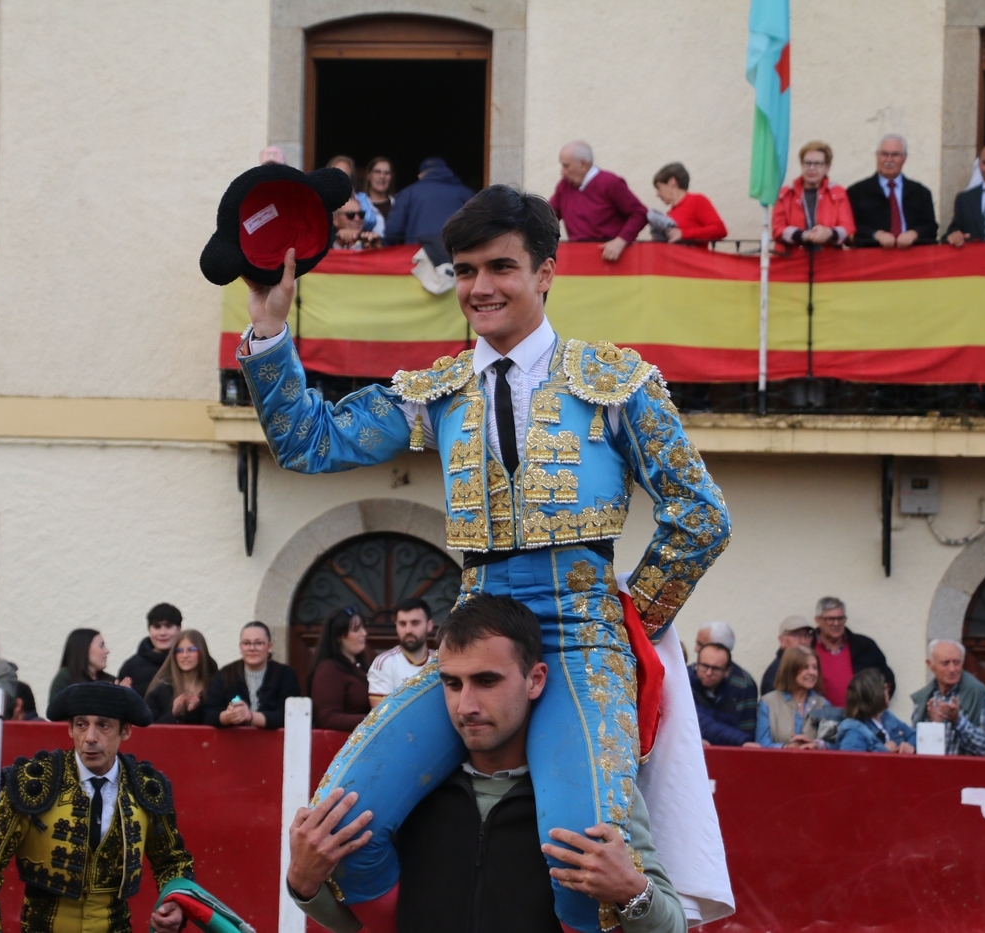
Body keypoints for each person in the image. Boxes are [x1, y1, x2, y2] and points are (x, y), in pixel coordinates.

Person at [236, 183, 730, 930]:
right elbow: (310, 440)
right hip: (472, 636)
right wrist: (270, 328)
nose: (480, 287)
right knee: (340, 821)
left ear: (546, 273)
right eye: (465, 271)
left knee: (582, 859)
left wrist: (630, 615)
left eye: (500, 267)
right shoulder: (439, 391)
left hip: (578, 639)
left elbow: (701, 517)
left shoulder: (616, 382)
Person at [286, 595, 686, 933]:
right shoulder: (409, 790)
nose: (467, 706)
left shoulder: (590, 783)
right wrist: (303, 885)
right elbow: (365, 926)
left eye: (487, 681)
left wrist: (632, 890)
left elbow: (673, 926)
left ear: (535, 680)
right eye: (452, 684)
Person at [0, 682, 195, 933]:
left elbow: (173, 863)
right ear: (71, 729)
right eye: (81, 725)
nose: (90, 738)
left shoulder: (147, 787)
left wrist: (176, 904)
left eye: (103, 725)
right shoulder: (32, 783)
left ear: (125, 731)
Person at [549, 140, 648, 260]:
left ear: (583, 164)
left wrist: (621, 241)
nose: (562, 172)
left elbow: (640, 213)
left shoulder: (610, 183)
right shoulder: (564, 186)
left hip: (610, 260)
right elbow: (547, 217)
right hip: (578, 259)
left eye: (566, 166)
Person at [203, 621, 303, 729]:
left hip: (274, 743)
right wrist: (228, 716)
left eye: (258, 643)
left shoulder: (285, 675)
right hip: (234, 742)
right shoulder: (226, 674)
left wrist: (251, 716)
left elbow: (289, 715)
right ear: (240, 647)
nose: (252, 648)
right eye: (246, 643)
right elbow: (208, 713)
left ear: (269, 646)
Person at [847, 134, 939, 247]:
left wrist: (914, 233)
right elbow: (850, 227)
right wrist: (876, 234)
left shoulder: (921, 192)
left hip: (911, 255)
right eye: (884, 154)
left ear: (904, 158)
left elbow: (931, 227)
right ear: (877, 156)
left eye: (895, 155)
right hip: (872, 257)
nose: (889, 160)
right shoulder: (857, 192)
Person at [910, 639, 985, 756]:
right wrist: (933, 726)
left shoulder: (977, 694)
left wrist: (958, 721)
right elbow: (916, 745)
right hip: (931, 771)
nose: (952, 669)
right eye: (945, 663)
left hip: (964, 772)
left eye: (956, 662)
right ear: (930, 665)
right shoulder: (924, 697)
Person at [810, 596, 893, 708]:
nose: (836, 623)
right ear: (818, 620)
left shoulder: (864, 646)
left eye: (840, 618)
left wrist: (874, 706)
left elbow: (887, 679)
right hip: (820, 718)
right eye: (830, 619)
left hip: (860, 718)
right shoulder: (808, 647)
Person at [771, 141, 856, 247]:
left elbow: (848, 228)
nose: (811, 168)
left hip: (829, 259)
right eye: (807, 163)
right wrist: (803, 235)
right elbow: (777, 229)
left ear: (827, 168)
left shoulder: (838, 192)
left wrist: (829, 232)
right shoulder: (786, 193)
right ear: (801, 164)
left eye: (818, 164)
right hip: (793, 259)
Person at [382, 157, 474, 245]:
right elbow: (477, 229)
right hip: (454, 254)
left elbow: (392, 233)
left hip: (419, 255)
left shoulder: (407, 193)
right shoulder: (467, 194)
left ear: (420, 175)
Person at [308, 607, 372, 731]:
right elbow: (327, 718)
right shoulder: (328, 669)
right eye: (356, 629)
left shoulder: (362, 666)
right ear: (339, 636)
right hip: (344, 746)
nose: (364, 633)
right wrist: (374, 720)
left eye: (363, 628)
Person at [755, 646, 829, 748]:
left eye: (815, 667)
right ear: (790, 670)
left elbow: (834, 741)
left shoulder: (823, 704)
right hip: (777, 762)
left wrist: (816, 744)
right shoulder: (768, 702)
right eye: (805, 667)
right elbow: (761, 743)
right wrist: (786, 747)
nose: (812, 672)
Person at [692, 622, 756, 739]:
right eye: (704, 666)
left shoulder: (743, 684)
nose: (695, 649)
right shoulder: (689, 677)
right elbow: (696, 720)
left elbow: (747, 732)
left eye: (701, 644)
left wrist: (741, 741)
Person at [367, 597, 436, 706]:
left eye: (415, 623)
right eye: (402, 624)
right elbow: (382, 716)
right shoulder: (384, 663)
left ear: (429, 626)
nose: (408, 630)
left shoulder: (441, 662)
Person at [145, 628, 218, 724]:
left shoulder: (215, 689)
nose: (184, 655)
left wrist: (195, 711)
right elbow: (148, 732)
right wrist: (173, 714)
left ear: (202, 653)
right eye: (179, 650)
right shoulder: (160, 690)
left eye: (191, 650)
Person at [835, 668, 916, 753]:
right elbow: (853, 763)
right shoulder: (853, 732)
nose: (888, 691)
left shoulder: (886, 716)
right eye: (885, 687)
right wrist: (884, 751)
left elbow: (913, 735)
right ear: (875, 694)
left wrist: (909, 745)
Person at [649, 163, 727, 242]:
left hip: (694, 254)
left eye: (659, 188)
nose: (657, 194)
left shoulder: (697, 200)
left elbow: (720, 230)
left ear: (672, 182)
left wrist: (683, 234)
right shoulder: (671, 212)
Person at [117, 603, 182, 697]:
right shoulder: (131, 667)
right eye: (157, 627)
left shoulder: (190, 661)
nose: (162, 633)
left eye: (168, 626)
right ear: (149, 630)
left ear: (179, 629)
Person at [49, 627, 116, 704]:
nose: (107, 651)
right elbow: (55, 712)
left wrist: (124, 697)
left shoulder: (110, 680)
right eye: (101, 646)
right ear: (84, 648)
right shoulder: (65, 678)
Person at [327, 155, 385, 238]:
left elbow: (371, 221)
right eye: (336, 174)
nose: (340, 179)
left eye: (345, 175)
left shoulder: (360, 198)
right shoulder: (319, 198)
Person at [759, 616, 816, 695]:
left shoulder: (813, 668)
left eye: (807, 635)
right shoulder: (775, 673)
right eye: (796, 635)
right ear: (782, 640)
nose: (803, 641)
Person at [364, 156, 395, 226]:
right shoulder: (359, 204)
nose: (382, 176)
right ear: (369, 175)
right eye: (377, 172)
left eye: (387, 173)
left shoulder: (399, 204)